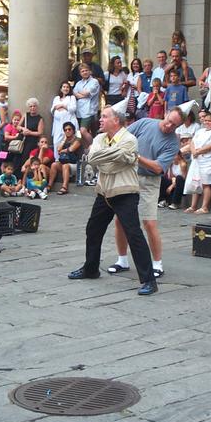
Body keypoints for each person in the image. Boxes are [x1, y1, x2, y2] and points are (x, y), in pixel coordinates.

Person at [67, 104, 157, 296]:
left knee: (133, 234)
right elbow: (92, 158)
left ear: (116, 120)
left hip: (125, 193)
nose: (100, 120)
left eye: (105, 116)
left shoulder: (130, 139)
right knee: (93, 229)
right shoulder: (99, 138)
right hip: (104, 192)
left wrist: (101, 158)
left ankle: (149, 280)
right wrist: (111, 157)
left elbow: (105, 163)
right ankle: (91, 269)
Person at [109, 105, 185, 279]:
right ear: (166, 114)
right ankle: (122, 260)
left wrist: (136, 157)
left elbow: (158, 168)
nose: (169, 126)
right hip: (129, 175)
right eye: (169, 121)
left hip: (150, 181)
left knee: (149, 223)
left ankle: (157, 263)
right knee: (120, 220)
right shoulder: (145, 122)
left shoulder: (173, 143)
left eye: (174, 125)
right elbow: (123, 136)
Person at [184, 111, 211, 214]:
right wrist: (194, 151)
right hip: (197, 160)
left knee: (206, 183)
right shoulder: (200, 131)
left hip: (209, 160)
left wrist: (198, 151)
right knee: (196, 182)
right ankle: (193, 206)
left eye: (209, 121)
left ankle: (204, 207)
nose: (206, 122)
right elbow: (192, 142)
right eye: (205, 120)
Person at [48, 122, 81, 195]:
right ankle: (49, 186)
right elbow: (58, 149)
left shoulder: (78, 139)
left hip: (76, 165)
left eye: (69, 129)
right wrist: (64, 139)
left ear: (73, 130)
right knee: (54, 164)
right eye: (65, 130)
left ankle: (64, 187)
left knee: (65, 165)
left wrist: (62, 151)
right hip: (65, 163)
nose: (67, 131)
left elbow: (71, 149)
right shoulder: (65, 140)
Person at [51, 81, 79, 158]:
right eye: (64, 87)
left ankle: (69, 158)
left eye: (67, 87)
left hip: (69, 122)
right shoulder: (56, 98)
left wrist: (63, 106)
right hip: (58, 124)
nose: (65, 88)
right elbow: (52, 109)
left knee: (69, 140)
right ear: (61, 89)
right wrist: (57, 108)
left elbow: (73, 109)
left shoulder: (72, 97)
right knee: (56, 142)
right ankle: (57, 159)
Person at [73, 64, 100, 135]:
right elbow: (74, 93)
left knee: (83, 130)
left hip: (89, 111)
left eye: (86, 70)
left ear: (90, 71)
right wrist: (83, 94)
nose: (85, 72)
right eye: (82, 71)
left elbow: (87, 93)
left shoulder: (94, 81)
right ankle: (82, 142)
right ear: (80, 73)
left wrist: (80, 93)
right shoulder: (78, 83)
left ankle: (92, 142)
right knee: (79, 132)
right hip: (79, 111)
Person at [18, 98, 44, 167]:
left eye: (34, 106)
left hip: (32, 142)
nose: (32, 108)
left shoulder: (39, 118)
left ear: (37, 107)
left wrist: (29, 132)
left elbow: (40, 132)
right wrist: (23, 129)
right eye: (31, 106)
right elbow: (18, 126)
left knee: (27, 158)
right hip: (23, 140)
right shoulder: (25, 115)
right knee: (19, 158)